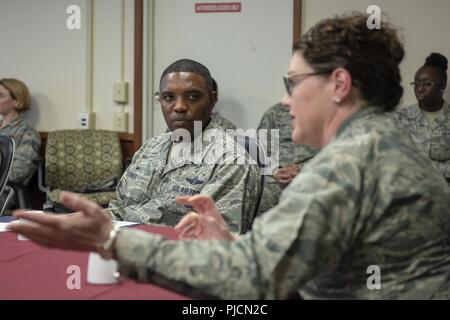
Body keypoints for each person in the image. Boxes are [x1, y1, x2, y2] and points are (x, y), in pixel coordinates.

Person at [9, 13, 450, 299]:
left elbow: (252, 280)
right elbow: (293, 260)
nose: (285, 98)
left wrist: (109, 240)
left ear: (337, 85)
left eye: (293, 82)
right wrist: (236, 244)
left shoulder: (350, 165)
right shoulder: (381, 145)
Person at [106, 59, 261, 233]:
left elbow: (214, 243)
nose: (179, 107)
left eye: (193, 96)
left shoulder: (231, 162)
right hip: (117, 245)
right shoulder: (151, 148)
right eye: (168, 97)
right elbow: (119, 209)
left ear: (211, 100)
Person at [392, 53, 450, 184]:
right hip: (409, 195)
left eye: (427, 83)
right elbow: (394, 159)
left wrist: (422, 166)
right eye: (416, 83)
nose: (420, 88)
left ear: (442, 86)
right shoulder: (399, 117)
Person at [257, 102, 318, 213]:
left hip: (313, 173)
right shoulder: (275, 113)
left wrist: (303, 171)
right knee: (262, 193)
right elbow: (262, 154)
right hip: (276, 176)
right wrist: (276, 171)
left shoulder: (326, 112)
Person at [0, 78, 41, 209]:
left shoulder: (28, 133)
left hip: (6, 194)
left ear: (17, 101)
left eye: (0, 95)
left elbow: (18, 172)